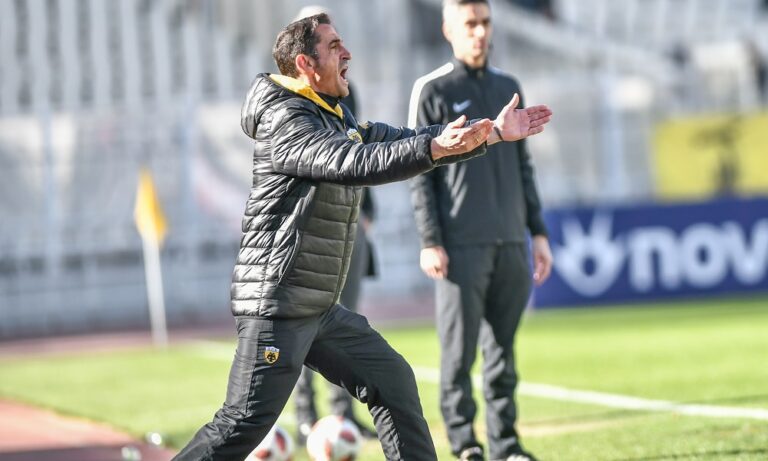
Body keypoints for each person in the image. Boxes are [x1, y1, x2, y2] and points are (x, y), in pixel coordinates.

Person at [173, 12, 551, 461]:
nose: (347, 53)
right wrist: (434, 148)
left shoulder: (329, 113)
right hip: (279, 306)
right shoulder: (286, 118)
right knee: (241, 422)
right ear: (305, 64)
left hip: (316, 306)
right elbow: (352, 161)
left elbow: (393, 137)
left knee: (392, 382)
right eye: (334, 46)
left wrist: (485, 134)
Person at [408, 1, 553, 460]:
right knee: (459, 353)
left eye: (485, 22)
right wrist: (430, 240)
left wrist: (537, 232)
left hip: (509, 240)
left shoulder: (508, 87)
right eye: (470, 23)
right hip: (461, 244)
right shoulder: (432, 89)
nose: (479, 32)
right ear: (448, 29)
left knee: (503, 353)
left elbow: (523, 166)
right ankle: (465, 444)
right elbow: (419, 171)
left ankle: (506, 445)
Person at [288, 7, 379, 444]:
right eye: (329, 44)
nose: (341, 53)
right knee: (303, 322)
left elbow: (360, 150)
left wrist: (367, 210)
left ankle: (343, 413)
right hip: (311, 226)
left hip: (349, 219)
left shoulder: (347, 90)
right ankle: (306, 414)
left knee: (347, 319)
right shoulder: (288, 102)